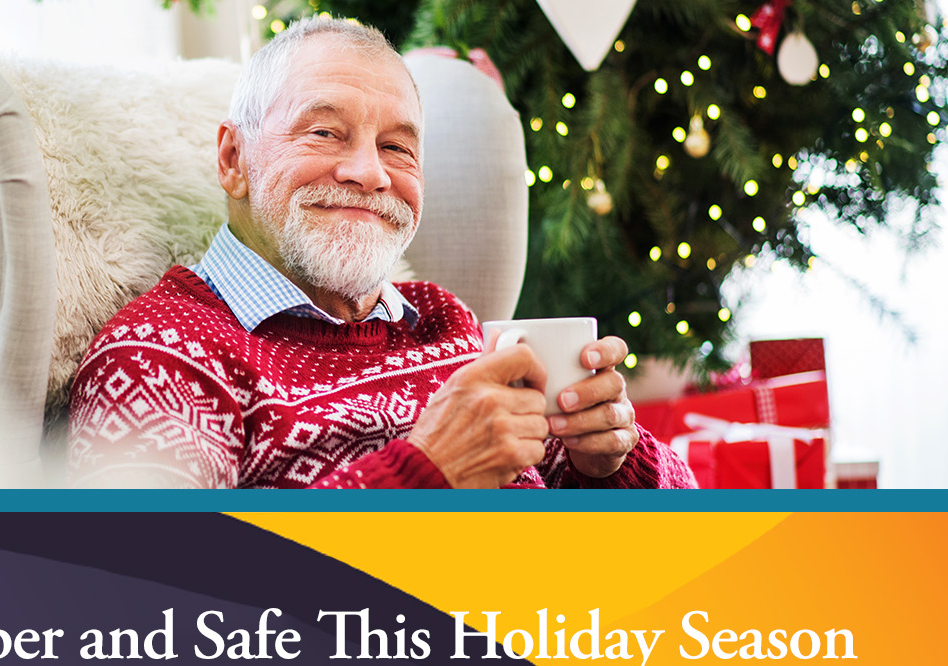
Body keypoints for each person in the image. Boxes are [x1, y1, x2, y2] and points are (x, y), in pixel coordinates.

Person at [66, 18, 696, 490]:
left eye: (397, 147)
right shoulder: (160, 357)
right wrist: (425, 474)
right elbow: (160, 618)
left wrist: (613, 460)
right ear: (234, 160)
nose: (369, 173)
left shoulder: (445, 322)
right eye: (323, 132)